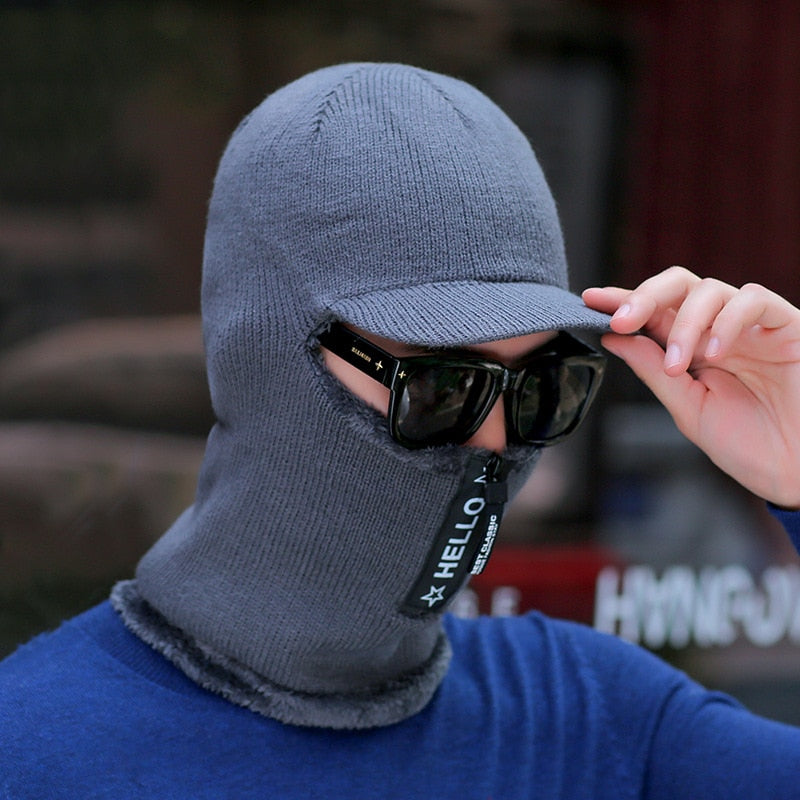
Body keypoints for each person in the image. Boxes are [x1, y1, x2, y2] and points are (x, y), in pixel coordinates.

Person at [1, 62, 799, 799]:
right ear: (266, 363)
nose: (495, 445)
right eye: (442, 387)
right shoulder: (34, 751)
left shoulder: (595, 719)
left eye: (541, 388)